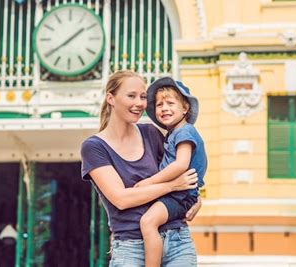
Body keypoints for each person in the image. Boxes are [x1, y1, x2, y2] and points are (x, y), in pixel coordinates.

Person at [81, 70, 201, 266]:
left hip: (178, 240)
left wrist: (197, 198)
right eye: (131, 96)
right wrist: (172, 186)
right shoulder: (94, 147)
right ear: (111, 98)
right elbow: (122, 199)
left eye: (143, 97)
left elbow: (181, 171)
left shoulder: (151, 133)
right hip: (131, 247)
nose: (139, 103)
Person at [135, 77, 208, 267]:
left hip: (180, 196)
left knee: (148, 222)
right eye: (159, 104)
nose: (164, 108)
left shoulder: (185, 132)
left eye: (170, 103)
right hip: (179, 195)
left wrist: (149, 182)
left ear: (185, 109)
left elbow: (180, 165)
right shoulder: (174, 134)